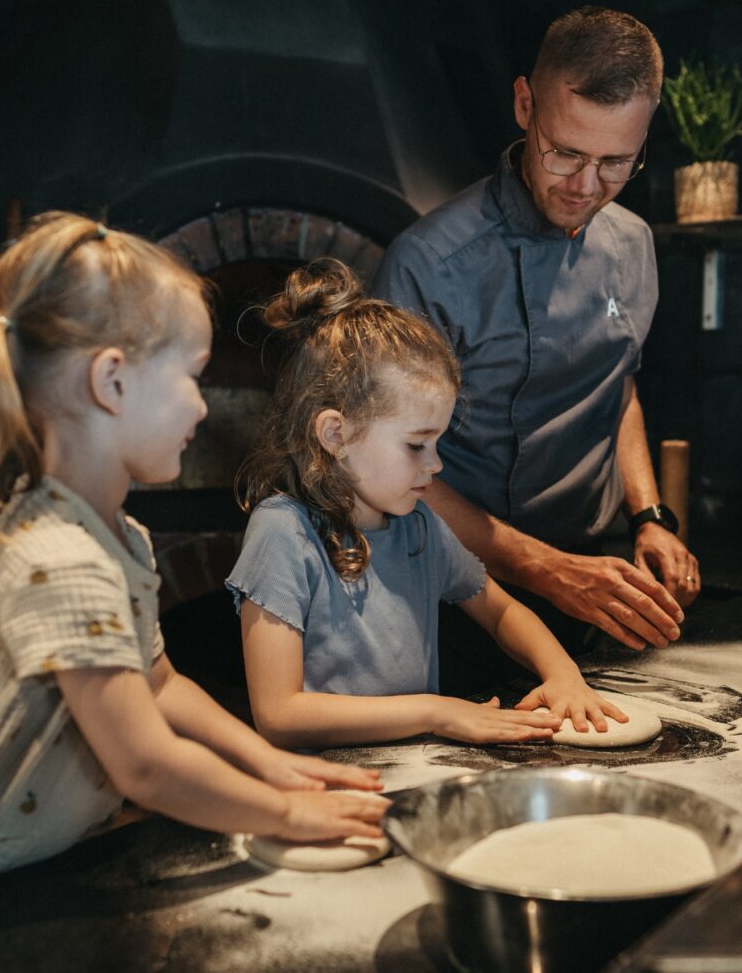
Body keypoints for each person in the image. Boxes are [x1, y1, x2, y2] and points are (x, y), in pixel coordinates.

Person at [0, 212, 386, 888]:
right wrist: (285, 814)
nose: (203, 406)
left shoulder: (117, 536)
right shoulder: (60, 560)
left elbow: (159, 685)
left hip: (36, 866)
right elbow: (147, 766)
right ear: (113, 382)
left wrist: (270, 764)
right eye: (192, 374)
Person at [370, 6, 700, 676]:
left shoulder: (633, 244)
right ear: (525, 105)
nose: (585, 187)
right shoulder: (428, 264)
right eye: (565, 153)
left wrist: (650, 516)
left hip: (594, 574)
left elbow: (619, 387)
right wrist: (548, 572)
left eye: (616, 163)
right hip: (457, 588)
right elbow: (386, 465)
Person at [226, 258, 627, 750]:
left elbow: (502, 613)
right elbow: (279, 714)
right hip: (320, 792)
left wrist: (563, 673)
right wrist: (439, 712)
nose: (435, 466)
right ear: (336, 433)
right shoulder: (283, 533)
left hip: (410, 775)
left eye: (438, 443)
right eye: (416, 445)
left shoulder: (418, 526)